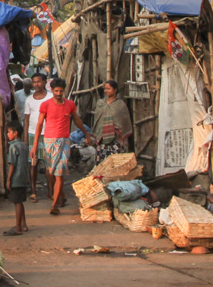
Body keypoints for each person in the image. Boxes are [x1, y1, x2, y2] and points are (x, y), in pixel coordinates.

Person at [32, 77, 95, 215]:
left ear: (64, 91)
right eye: (56, 91)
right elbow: (39, 125)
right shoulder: (46, 105)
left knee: (59, 174)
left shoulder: (70, 105)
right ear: (52, 90)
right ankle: (61, 196)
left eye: (61, 91)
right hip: (49, 141)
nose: (59, 93)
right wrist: (35, 144)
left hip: (65, 141)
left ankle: (54, 204)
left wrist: (87, 135)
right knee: (51, 172)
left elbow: (77, 120)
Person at [22, 73, 50, 202]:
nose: (36, 84)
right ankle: (33, 191)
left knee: (48, 164)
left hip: (48, 134)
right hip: (33, 134)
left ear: (44, 82)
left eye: (39, 82)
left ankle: (51, 191)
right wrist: (26, 137)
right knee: (33, 164)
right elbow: (26, 119)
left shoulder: (50, 97)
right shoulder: (29, 99)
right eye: (34, 82)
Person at [92, 80, 133, 161]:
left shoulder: (120, 105)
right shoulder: (100, 103)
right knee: (102, 162)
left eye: (109, 89)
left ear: (115, 90)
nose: (106, 91)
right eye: (105, 89)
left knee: (115, 161)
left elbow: (124, 121)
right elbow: (98, 120)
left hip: (116, 139)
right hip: (102, 139)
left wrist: (118, 129)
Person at [4, 120, 30, 236]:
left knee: (17, 202)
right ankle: (23, 224)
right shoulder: (24, 145)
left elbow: (12, 164)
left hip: (16, 179)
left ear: (15, 133)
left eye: (9, 132)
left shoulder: (13, 147)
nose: (7, 134)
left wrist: (8, 180)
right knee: (20, 201)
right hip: (24, 178)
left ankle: (18, 228)